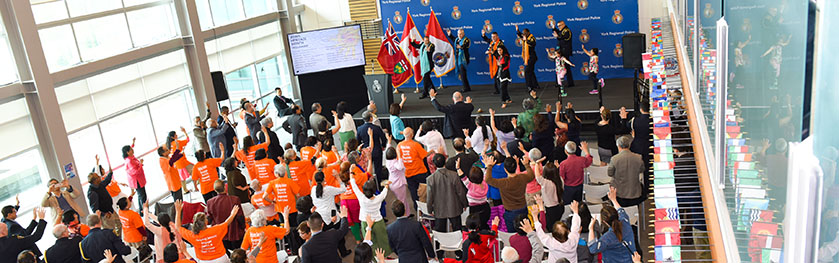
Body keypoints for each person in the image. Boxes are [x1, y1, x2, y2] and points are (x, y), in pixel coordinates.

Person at [484, 154, 535, 232]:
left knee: (512, 233)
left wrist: (489, 166)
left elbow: (488, 179)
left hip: (510, 212)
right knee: (525, 230)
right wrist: (526, 165)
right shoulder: (522, 177)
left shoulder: (503, 182)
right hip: (523, 208)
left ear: (505, 169)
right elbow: (531, 175)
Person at [588, 187, 636, 262]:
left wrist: (591, 229)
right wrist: (614, 200)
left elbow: (593, 248)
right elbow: (621, 210)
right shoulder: (625, 221)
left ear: (605, 222)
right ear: (617, 215)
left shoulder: (607, 238)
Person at [350, 171, 392, 255]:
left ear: (364, 190)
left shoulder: (361, 197)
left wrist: (351, 171)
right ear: (374, 190)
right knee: (382, 238)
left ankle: (372, 256)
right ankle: (385, 254)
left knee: (369, 241)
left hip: (365, 221)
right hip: (377, 221)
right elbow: (385, 191)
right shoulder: (379, 198)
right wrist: (386, 185)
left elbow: (353, 185)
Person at [426, 153, 468, 232]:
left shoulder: (430, 179)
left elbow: (429, 197)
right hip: (454, 208)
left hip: (439, 210)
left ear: (434, 164)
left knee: (440, 231)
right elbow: (460, 192)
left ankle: (441, 243)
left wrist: (429, 209)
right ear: (445, 161)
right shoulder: (454, 175)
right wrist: (464, 204)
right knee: (457, 230)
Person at [531, 197, 580, 263]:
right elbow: (575, 226)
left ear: (553, 235)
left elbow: (540, 233)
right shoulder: (574, 239)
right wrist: (576, 212)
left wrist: (535, 215)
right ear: (568, 231)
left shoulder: (551, 243)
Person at [397, 127, 432, 210]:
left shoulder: (399, 145)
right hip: (419, 171)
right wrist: (432, 151)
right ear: (412, 135)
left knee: (413, 191)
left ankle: (418, 208)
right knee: (425, 190)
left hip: (408, 173)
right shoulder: (415, 145)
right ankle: (428, 207)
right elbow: (424, 155)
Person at [621, 104, 650, 196]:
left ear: (640, 109)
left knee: (635, 167)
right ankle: (647, 189)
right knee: (648, 168)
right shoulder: (653, 120)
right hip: (649, 146)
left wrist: (624, 118)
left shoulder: (634, 120)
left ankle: (635, 187)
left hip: (637, 146)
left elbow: (626, 127)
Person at [609, 136, 646, 207]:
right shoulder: (638, 157)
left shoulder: (614, 159)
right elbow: (642, 170)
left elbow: (610, 173)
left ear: (618, 146)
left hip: (619, 195)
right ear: (629, 145)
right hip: (635, 194)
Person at [357, 111, 388, 185]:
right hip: (377, 150)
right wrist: (383, 146)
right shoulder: (376, 128)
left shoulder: (359, 129)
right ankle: (379, 185)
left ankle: (368, 185)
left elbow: (358, 141)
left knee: (367, 168)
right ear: (371, 118)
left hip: (366, 151)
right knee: (378, 168)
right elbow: (383, 139)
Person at [459, 160, 490, 231]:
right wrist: (487, 165)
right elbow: (486, 173)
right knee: (484, 225)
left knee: (475, 227)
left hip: (474, 210)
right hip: (485, 208)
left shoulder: (470, 186)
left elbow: (462, 176)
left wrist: (458, 167)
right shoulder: (485, 182)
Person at [536, 162, 564, 229]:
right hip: (560, 206)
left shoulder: (546, 183)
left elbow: (537, 176)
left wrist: (537, 163)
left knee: (551, 228)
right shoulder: (560, 179)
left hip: (550, 210)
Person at [383, 138, 410, 209]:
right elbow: (401, 167)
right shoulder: (395, 163)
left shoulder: (388, 161)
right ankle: (405, 215)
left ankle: (406, 213)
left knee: (401, 198)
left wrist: (388, 141)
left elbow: (387, 149)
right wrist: (399, 155)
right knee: (402, 200)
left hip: (393, 183)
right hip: (399, 184)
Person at [123, 137, 148, 212]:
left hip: (138, 180)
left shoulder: (130, 158)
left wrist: (133, 143)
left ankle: (142, 211)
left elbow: (132, 149)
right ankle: (144, 211)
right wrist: (140, 164)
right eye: (131, 149)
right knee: (142, 196)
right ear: (128, 152)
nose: (132, 150)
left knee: (141, 195)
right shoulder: (129, 161)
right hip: (137, 181)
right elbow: (135, 172)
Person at [166, 127, 193, 193]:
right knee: (194, 170)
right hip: (182, 161)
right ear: (173, 137)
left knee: (182, 177)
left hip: (176, 163)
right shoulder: (177, 142)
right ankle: (196, 185)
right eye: (176, 135)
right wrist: (184, 132)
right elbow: (187, 140)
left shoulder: (169, 145)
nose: (177, 136)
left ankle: (185, 190)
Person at [515, 25, 539, 91]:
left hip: (532, 57)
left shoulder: (531, 38)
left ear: (528, 32)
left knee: (527, 71)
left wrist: (526, 41)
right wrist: (517, 30)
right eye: (523, 33)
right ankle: (535, 85)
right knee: (531, 71)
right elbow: (520, 35)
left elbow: (533, 44)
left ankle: (529, 86)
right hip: (528, 57)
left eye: (525, 33)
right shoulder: (525, 37)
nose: (523, 34)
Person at [481, 30, 505, 95]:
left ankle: (500, 90)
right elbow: (487, 40)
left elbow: (500, 53)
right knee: (496, 77)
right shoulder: (492, 42)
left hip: (499, 62)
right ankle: (497, 90)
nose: (493, 38)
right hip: (494, 62)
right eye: (492, 37)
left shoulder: (500, 43)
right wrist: (483, 35)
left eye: (494, 37)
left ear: (497, 36)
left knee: (498, 77)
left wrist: (491, 52)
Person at [551, 21, 574, 87]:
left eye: (559, 25)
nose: (559, 27)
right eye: (558, 26)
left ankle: (570, 83)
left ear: (563, 24)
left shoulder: (567, 31)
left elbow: (565, 38)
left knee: (566, 67)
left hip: (565, 51)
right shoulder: (562, 30)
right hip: (560, 51)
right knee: (558, 67)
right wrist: (554, 28)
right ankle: (559, 83)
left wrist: (558, 36)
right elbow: (559, 33)